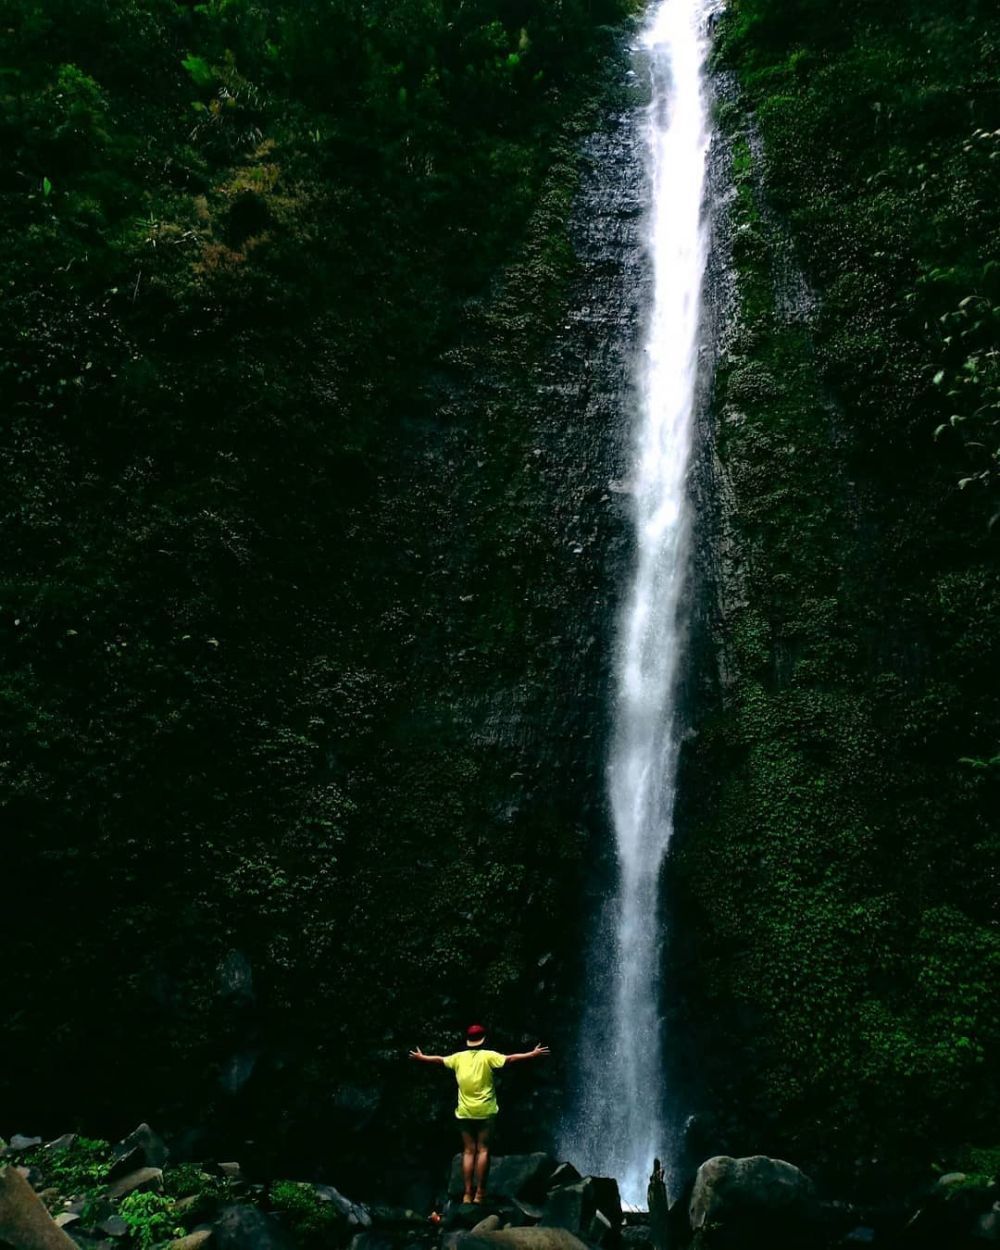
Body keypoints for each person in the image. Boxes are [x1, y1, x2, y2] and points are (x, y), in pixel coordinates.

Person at [410, 1024, 550, 1204]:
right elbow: (510, 1059)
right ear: (483, 1040)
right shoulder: (488, 1056)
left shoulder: (458, 1058)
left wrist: (422, 1057)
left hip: (465, 1112)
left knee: (469, 1151)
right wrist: (532, 1054)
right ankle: (480, 1194)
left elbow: (439, 1060)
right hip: (485, 1112)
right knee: (483, 1150)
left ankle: (467, 1194)